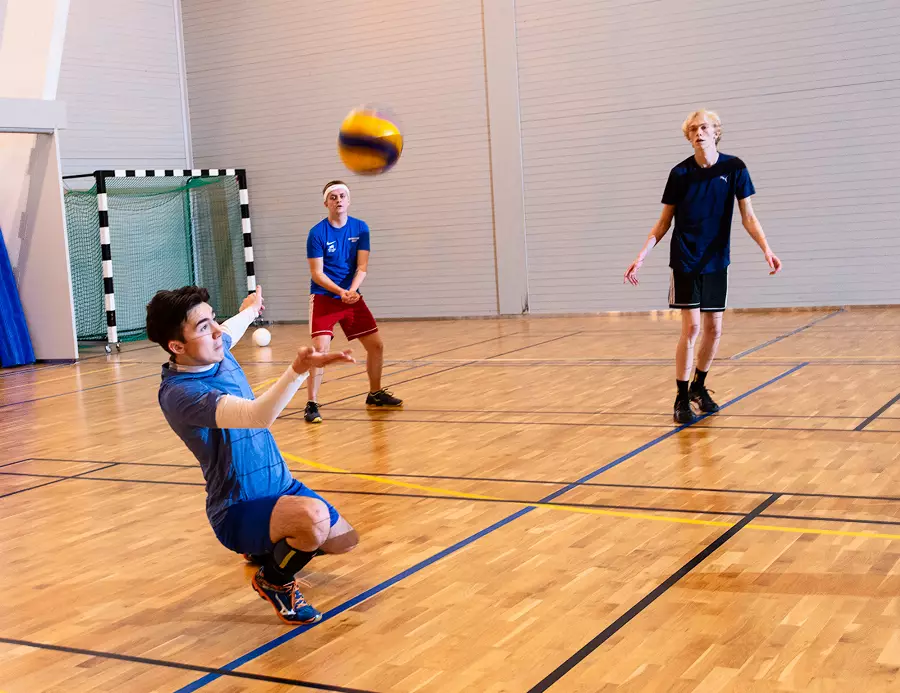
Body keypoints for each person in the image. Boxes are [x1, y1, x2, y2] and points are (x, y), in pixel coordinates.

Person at [146, 284, 358, 625]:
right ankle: (274, 580)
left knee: (345, 541)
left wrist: (250, 309)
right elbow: (259, 416)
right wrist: (298, 369)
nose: (217, 332)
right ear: (176, 346)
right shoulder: (181, 394)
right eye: (204, 327)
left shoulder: (213, 348)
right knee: (315, 519)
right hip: (237, 507)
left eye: (213, 320)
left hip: (280, 486)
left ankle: (264, 544)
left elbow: (230, 328)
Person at [624, 109, 782, 424]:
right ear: (688, 136)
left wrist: (766, 249)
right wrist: (642, 255)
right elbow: (664, 221)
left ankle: (699, 386)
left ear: (715, 132)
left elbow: (748, 216)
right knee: (692, 327)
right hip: (686, 258)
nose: (699, 132)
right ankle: (681, 398)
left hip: (716, 259)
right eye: (693, 129)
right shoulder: (679, 173)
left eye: (705, 127)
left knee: (714, 329)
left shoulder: (735, 168)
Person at [302, 180, 402, 424]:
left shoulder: (361, 228)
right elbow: (317, 273)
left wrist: (352, 291)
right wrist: (340, 291)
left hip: (351, 296)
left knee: (376, 345)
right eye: (333, 197)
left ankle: (375, 393)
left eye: (342, 196)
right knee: (320, 350)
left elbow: (362, 266)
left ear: (349, 200)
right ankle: (312, 403)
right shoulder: (317, 233)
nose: (338, 200)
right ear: (326, 203)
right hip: (325, 297)